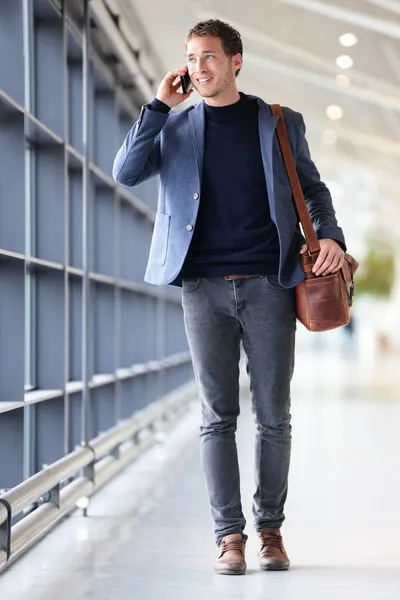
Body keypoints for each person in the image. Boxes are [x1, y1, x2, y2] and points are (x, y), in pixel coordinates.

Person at [113, 19, 346, 575]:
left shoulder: (279, 122)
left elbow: (312, 189)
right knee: (216, 416)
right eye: (192, 58)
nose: (199, 67)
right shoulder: (174, 126)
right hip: (202, 289)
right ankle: (229, 537)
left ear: (236, 61)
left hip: (270, 284)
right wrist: (155, 108)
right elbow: (126, 173)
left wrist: (331, 233)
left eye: (210, 57)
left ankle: (269, 531)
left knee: (272, 415)